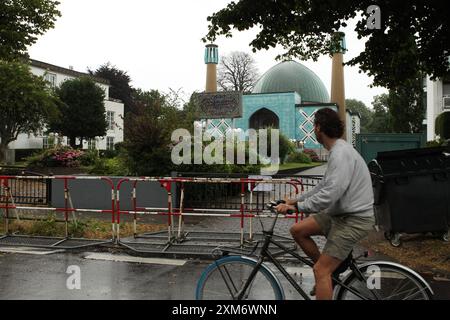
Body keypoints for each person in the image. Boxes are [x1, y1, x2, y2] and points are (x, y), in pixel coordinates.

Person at [276, 108, 375, 300]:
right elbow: (324, 185)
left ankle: (326, 272)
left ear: (319, 127)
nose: (313, 129)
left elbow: (330, 194)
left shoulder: (341, 153)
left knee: (321, 271)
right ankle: (332, 271)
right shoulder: (337, 151)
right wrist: (296, 199)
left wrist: (297, 207)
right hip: (340, 214)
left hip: (354, 219)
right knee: (298, 230)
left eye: (314, 125)